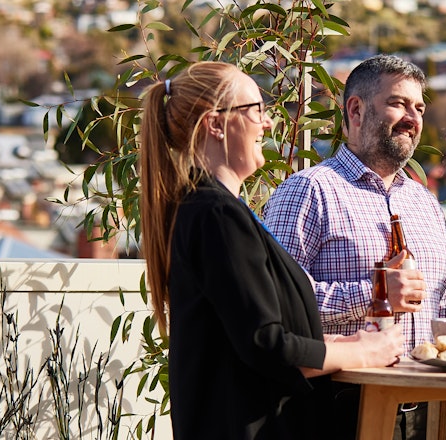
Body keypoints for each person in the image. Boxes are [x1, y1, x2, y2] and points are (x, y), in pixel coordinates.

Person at [138, 61, 405, 440]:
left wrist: (338, 342)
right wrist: (366, 352)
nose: (267, 124)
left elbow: (246, 333)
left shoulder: (216, 210)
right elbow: (267, 347)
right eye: (255, 110)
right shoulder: (216, 214)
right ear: (216, 124)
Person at [263, 54, 446, 439]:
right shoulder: (308, 191)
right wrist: (374, 294)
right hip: (340, 409)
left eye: (419, 107)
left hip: (431, 413)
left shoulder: (426, 204)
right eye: (398, 103)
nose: (413, 117)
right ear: (355, 110)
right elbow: (278, 304)